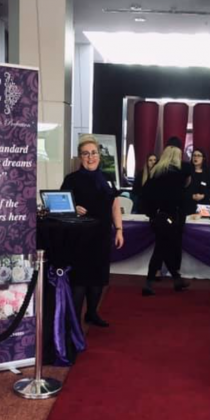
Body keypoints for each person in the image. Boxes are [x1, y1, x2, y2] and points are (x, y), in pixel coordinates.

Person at [60, 134, 124, 327]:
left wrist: (119, 229)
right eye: (86, 153)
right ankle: (74, 323)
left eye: (94, 153)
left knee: (98, 280)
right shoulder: (71, 179)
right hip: (79, 239)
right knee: (79, 282)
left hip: (102, 236)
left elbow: (115, 206)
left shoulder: (107, 178)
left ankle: (92, 313)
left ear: (99, 155)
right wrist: (73, 208)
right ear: (80, 157)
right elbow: (59, 206)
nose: (91, 157)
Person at [140, 144, 190, 296]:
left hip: (157, 216)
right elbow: (180, 199)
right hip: (170, 217)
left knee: (163, 248)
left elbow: (145, 194)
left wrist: (151, 214)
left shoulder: (155, 172)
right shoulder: (177, 176)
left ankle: (176, 279)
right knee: (161, 249)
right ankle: (149, 282)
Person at [183, 147, 210, 216]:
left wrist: (203, 195)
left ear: (203, 158)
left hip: (204, 205)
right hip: (189, 204)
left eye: (198, 156)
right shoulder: (187, 170)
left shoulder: (209, 171)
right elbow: (182, 188)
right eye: (194, 155)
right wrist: (191, 196)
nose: (196, 157)